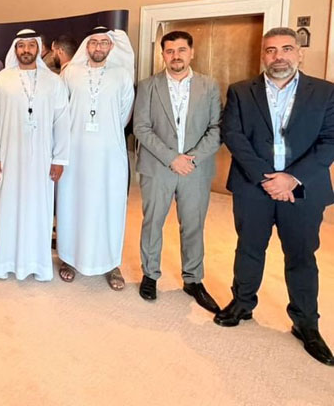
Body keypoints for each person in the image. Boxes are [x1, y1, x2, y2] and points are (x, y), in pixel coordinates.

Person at [216, 27, 334, 366]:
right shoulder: (241, 91)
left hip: (302, 188)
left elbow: (330, 140)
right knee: (249, 248)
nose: (278, 56)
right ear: (262, 55)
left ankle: (306, 323)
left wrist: (290, 178)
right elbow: (233, 134)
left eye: (286, 49)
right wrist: (265, 178)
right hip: (254, 186)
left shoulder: (325, 92)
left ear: (299, 53)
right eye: (270, 50)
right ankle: (242, 303)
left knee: (301, 255)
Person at [133, 31, 221, 313]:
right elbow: (141, 128)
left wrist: (191, 159)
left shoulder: (209, 86)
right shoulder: (148, 86)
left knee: (193, 224)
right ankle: (150, 274)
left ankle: (193, 279)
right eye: (169, 51)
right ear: (163, 55)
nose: (176, 56)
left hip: (195, 169)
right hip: (158, 167)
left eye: (181, 50)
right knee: (152, 222)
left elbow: (216, 128)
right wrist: (172, 158)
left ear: (191, 53)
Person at [0, 29, 70, 281]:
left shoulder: (54, 82)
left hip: (42, 159)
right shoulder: (1, 81)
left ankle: (37, 264)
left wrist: (59, 158)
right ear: (15, 49)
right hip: (8, 158)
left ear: (38, 48)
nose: (26, 50)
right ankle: (5, 263)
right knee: (9, 208)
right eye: (21, 45)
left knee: (38, 209)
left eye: (31, 45)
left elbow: (62, 122)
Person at [55, 27, 134, 289]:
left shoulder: (122, 75)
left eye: (104, 43)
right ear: (86, 46)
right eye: (94, 42)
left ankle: (110, 262)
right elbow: (61, 111)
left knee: (109, 206)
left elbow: (124, 114)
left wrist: (104, 134)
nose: (98, 47)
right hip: (75, 153)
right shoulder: (70, 73)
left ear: (111, 47)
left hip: (109, 155)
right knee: (72, 204)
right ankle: (68, 257)